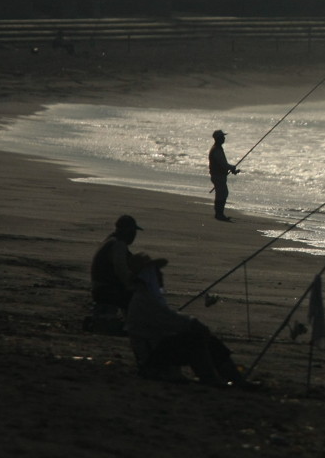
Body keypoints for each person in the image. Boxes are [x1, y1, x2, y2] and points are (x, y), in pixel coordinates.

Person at [125, 252, 259, 389]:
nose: (160, 275)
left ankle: (234, 379)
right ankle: (211, 378)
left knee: (206, 340)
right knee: (195, 339)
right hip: (152, 359)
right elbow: (170, 320)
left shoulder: (147, 296)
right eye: (156, 272)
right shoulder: (144, 300)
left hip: (157, 351)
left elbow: (168, 320)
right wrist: (194, 323)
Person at [87, 214, 166, 334]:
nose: (134, 235)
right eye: (133, 231)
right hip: (106, 290)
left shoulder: (110, 241)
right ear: (127, 231)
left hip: (100, 288)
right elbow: (121, 271)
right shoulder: (118, 245)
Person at [208, 129, 239, 221]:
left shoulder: (217, 148)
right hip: (217, 176)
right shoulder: (216, 150)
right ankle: (219, 214)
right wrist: (232, 167)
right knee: (222, 194)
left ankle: (219, 214)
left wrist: (232, 170)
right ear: (218, 138)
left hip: (218, 175)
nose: (224, 138)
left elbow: (223, 165)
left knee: (222, 194)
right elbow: (223, 164)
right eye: (222, 137)